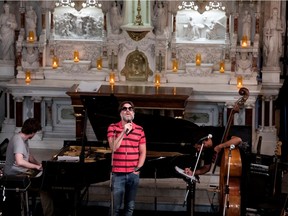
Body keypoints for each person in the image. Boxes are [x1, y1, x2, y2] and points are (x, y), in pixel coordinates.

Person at [3, 118, 54, 216]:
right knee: (44, 186)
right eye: (35, 133)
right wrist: (36, 167)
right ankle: (48, 214)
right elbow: (19, 161)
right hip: (15, 175)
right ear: (32, 132)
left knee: (45, 182)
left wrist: (39, 165)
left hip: (21, 172)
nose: (34, 135)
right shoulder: (18, 141)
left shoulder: (23, 139)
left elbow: (29, 156)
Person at [107, 101, 146, 216]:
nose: (127, 110)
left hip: (133, 173)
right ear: (120, 113)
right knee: (115, 208)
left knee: (130, 207)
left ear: (133, 112)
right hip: (117, 174)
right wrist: (124, 131)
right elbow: (113, 147)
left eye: (130, 108)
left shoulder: (139, 129)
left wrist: (138, 168)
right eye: (124, 108)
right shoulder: (113, 127)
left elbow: (143, 151)